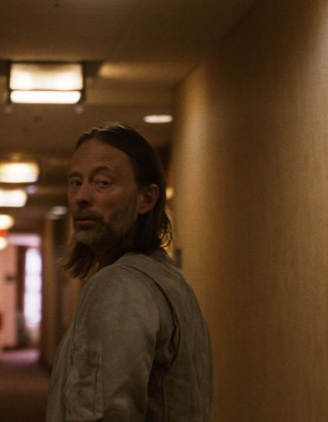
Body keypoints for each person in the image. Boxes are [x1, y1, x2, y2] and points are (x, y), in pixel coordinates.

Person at [45, 123, 213, 421]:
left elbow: (98, 412)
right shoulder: (169, 279)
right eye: (75, 182)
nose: (82, 196)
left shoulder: (119, 285)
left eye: (102, 183)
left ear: (146, 199)